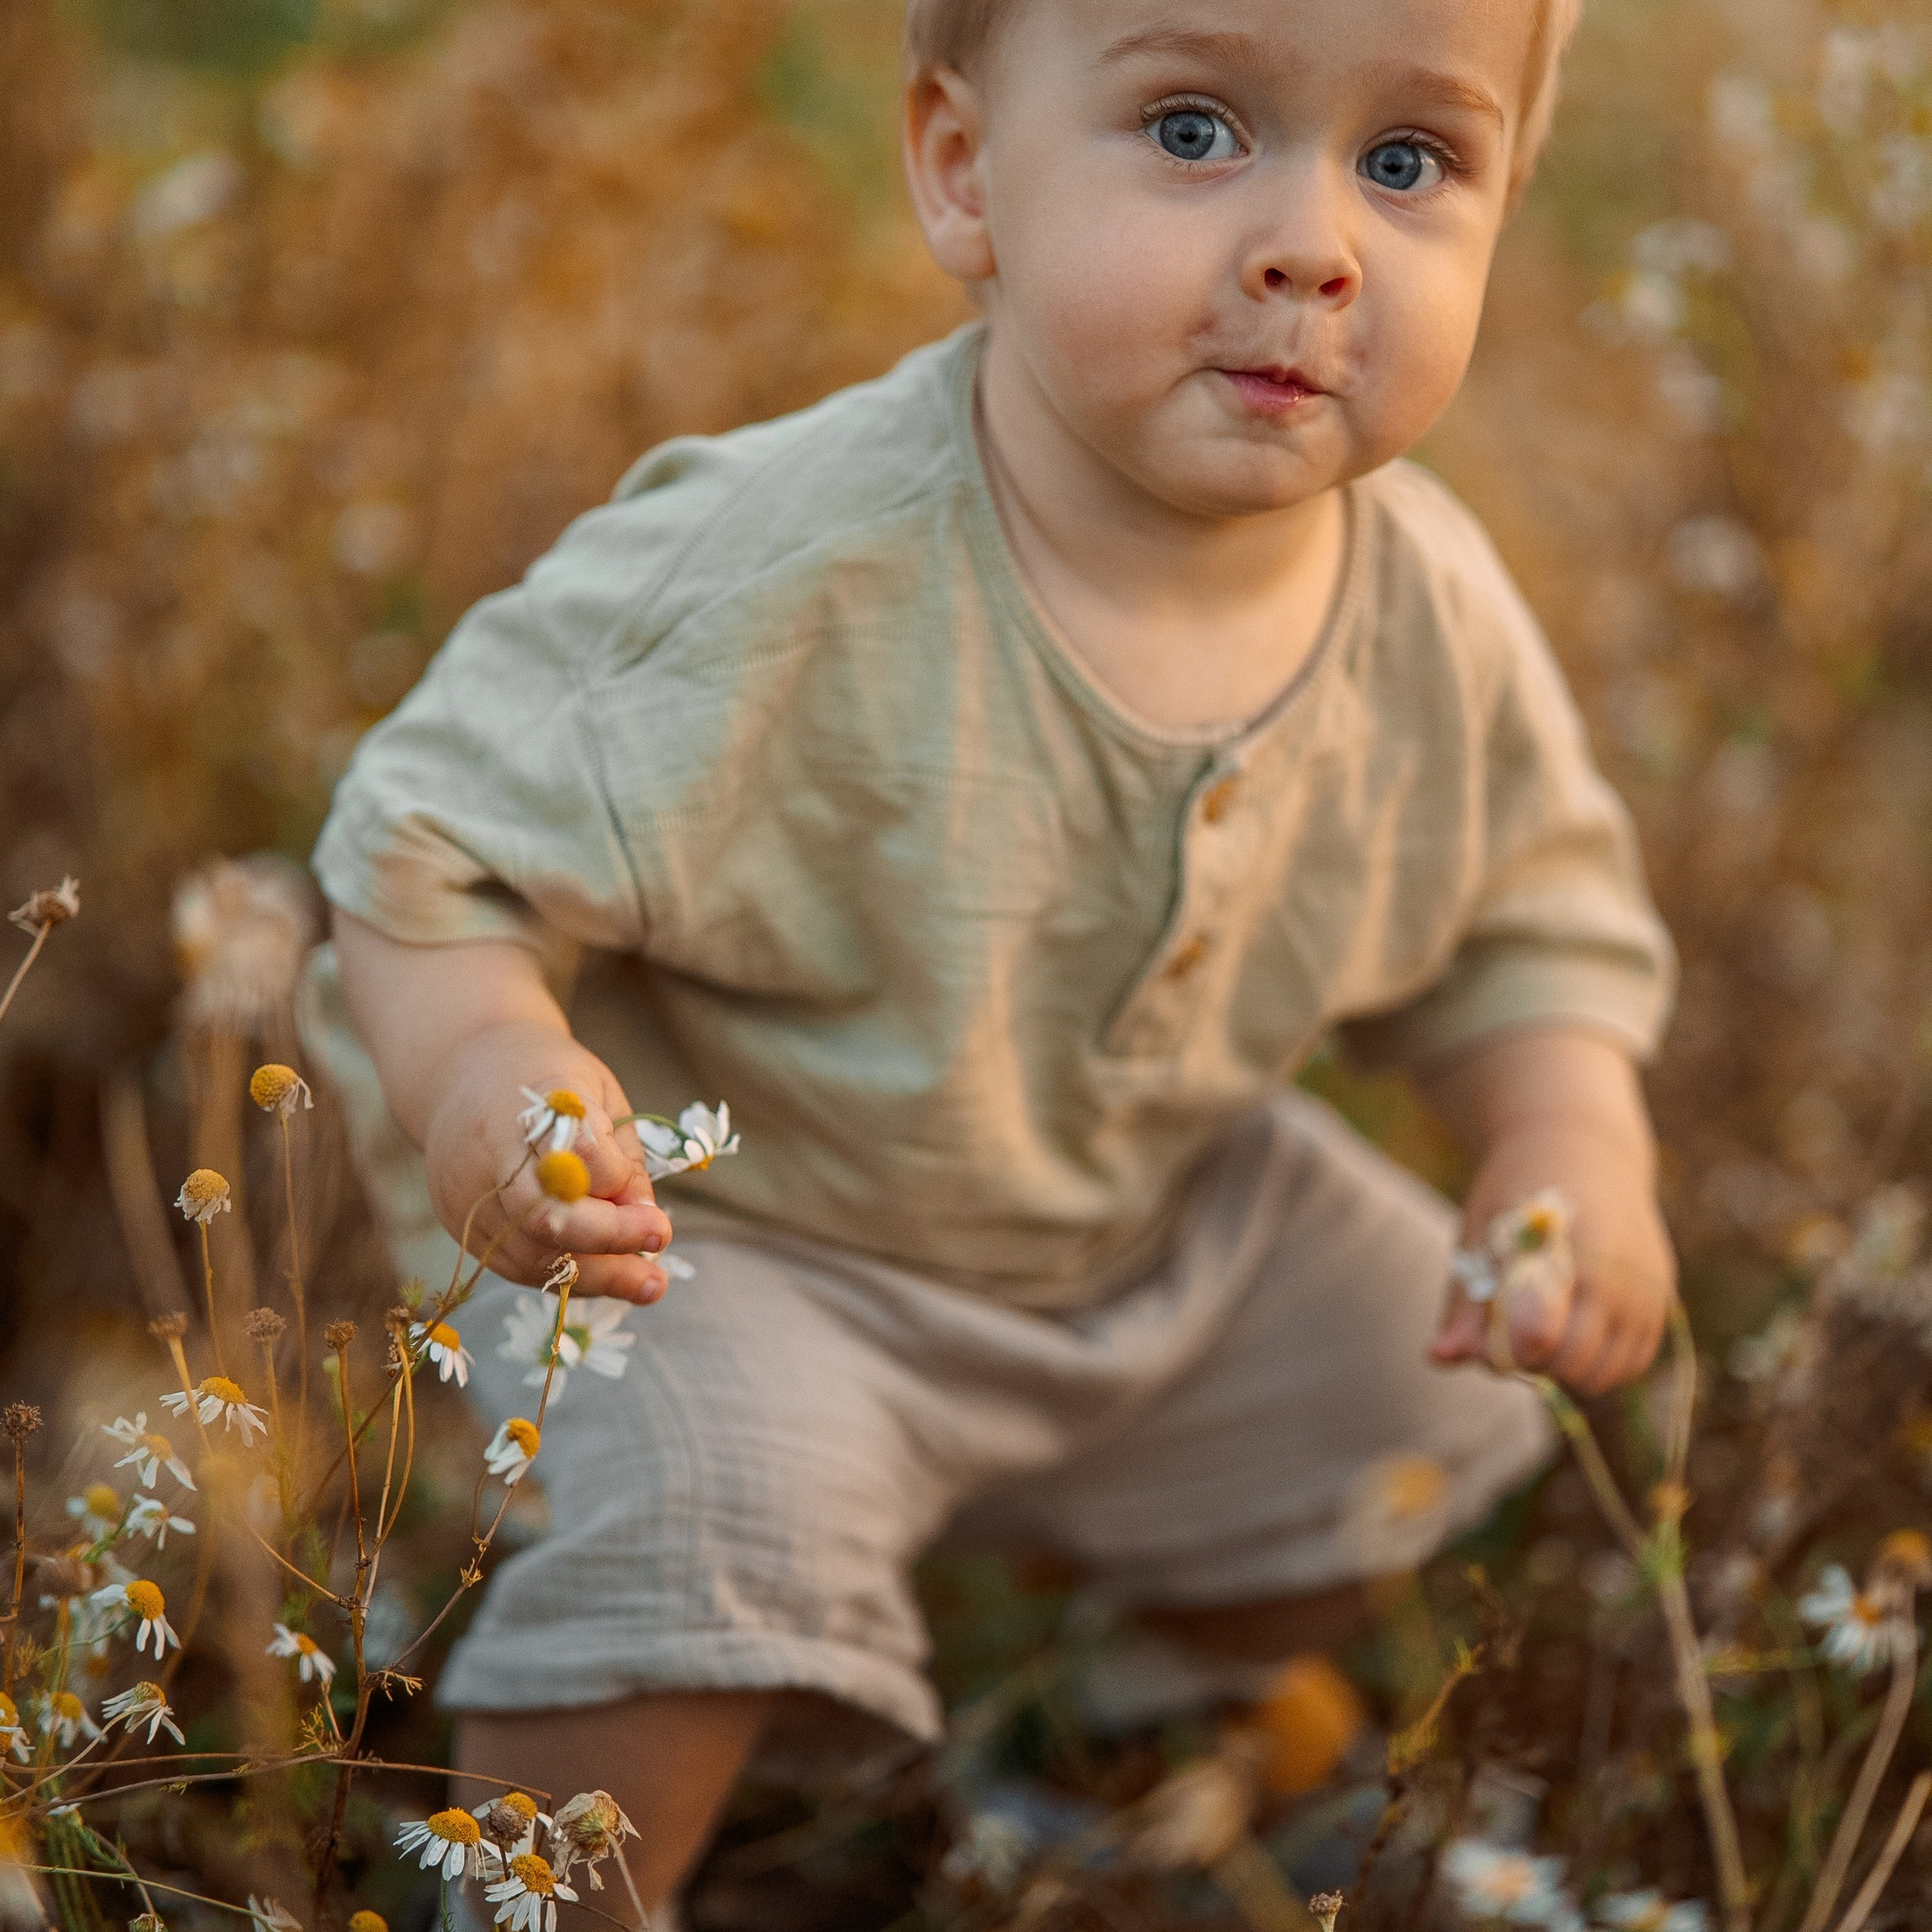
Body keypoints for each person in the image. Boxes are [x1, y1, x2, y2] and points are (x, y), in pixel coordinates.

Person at [305, 0, 1677, 1906]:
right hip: (731, 1234)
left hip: (1136, 1217)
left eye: (1406, 160)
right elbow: (425, 848)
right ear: (965, 174)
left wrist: (1564, 1148)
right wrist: (480, 1076)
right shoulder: (788, 565)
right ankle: (552, 1884)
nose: (1313, 243)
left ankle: (1117, 1723)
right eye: (1193, 130)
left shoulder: (1426, 602)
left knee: (1411, 1379)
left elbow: (1525, 925)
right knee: (707, 1528)